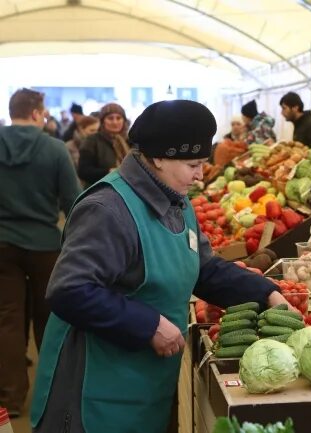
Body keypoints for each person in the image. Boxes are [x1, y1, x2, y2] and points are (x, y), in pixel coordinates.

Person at [31, 100, 295, 433]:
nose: (200, 175)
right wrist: (148, 324)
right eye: (193, 164)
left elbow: (203, 268)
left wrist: (267, 293)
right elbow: (68, 290)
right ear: (158, 157)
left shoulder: (175, 200)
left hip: (140, 382)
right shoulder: (107, 209)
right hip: (93, 389)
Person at [0, 88, 81, 417]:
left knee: (7, 321)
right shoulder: (54, 149)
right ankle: (51, 395)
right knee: (50, 321)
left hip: (2, 246)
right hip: (46, 246)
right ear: (35, 112)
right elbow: (72, 200)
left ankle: (10, 399)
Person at [77, 102, 130, 187]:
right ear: (102, 121)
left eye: (118, 118)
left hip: (127, 189)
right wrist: (108, 172)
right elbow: (83, 171)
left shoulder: (130, 141)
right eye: (110, 118)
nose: (115, 122)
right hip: (99, 192)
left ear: (124, 121)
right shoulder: (92, 141)